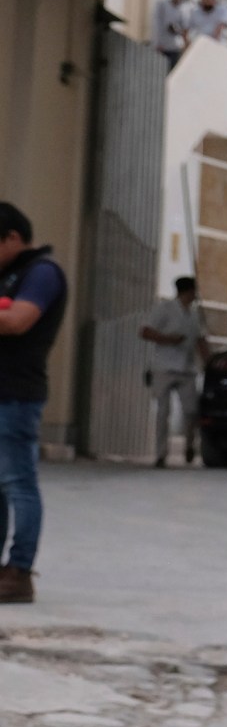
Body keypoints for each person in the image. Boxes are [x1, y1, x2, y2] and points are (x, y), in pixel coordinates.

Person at [0, 202, 68, 605]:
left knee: (18, 484)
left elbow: (17, 321)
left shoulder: (41, 273)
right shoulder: (9, 275)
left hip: (15, 397)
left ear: (12, 238)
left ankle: (19, 571)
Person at [139, 276, 209, 468]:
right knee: (163, 411)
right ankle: (161, 453)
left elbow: (200, 340)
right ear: (187, 291)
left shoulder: (195, 314)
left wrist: (208, 362)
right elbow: (145, 331)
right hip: (164, 367)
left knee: (191, 410)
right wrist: (167, 339)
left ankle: (189, 445)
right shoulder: (165, 309)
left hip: (186, 369)